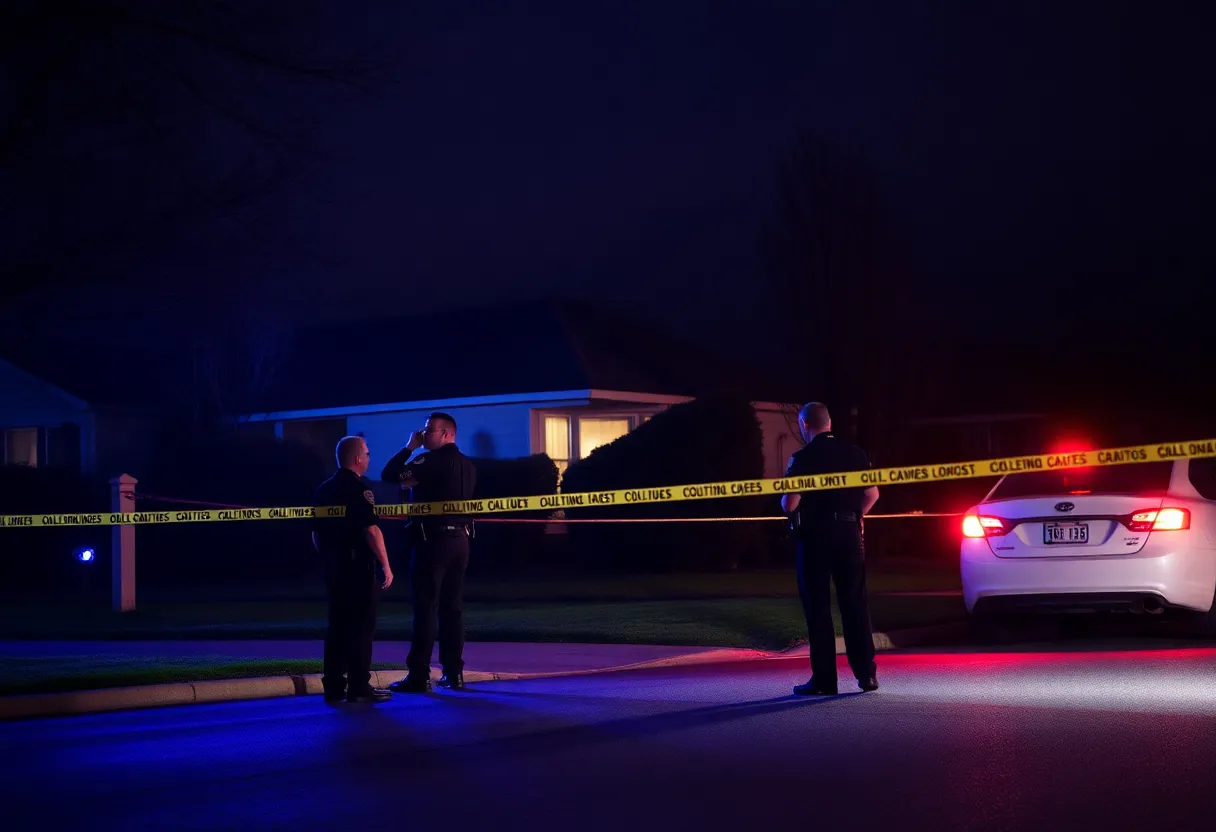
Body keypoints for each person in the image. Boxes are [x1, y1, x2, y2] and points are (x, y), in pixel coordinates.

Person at [781, 402, 880, 695]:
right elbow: (873, 494)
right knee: (855, 604)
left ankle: (825, 680)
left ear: (804, 424)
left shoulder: (802, 457)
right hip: (850, 535)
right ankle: (867, 675)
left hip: (815, 537)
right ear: (830, 423)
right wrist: (858, 515)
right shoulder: (855, 454)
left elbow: (791, 503)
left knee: (819, 608)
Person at [380, 411, 477, 692]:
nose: (423, 435)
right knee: (453, 609)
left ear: (447, 434)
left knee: (426, 608)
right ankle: (454, 673)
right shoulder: (468, 465)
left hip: (432, 543)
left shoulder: (429, 460)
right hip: (461, 542)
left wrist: (409, 447)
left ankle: (419, 675)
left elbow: (390, 474)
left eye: (429, 430)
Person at [311, 435, 394, 704]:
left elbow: (316, 533)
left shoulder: (324, 489)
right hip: (358, 567)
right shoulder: (361, 491)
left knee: (336, 625)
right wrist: (386, 565)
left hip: (333, 566)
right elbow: (371, 529)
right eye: (367, 454)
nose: (369, 458)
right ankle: (359, 686)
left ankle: (333, 686)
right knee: (361, 626)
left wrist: (328, 557)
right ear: (358, 459)